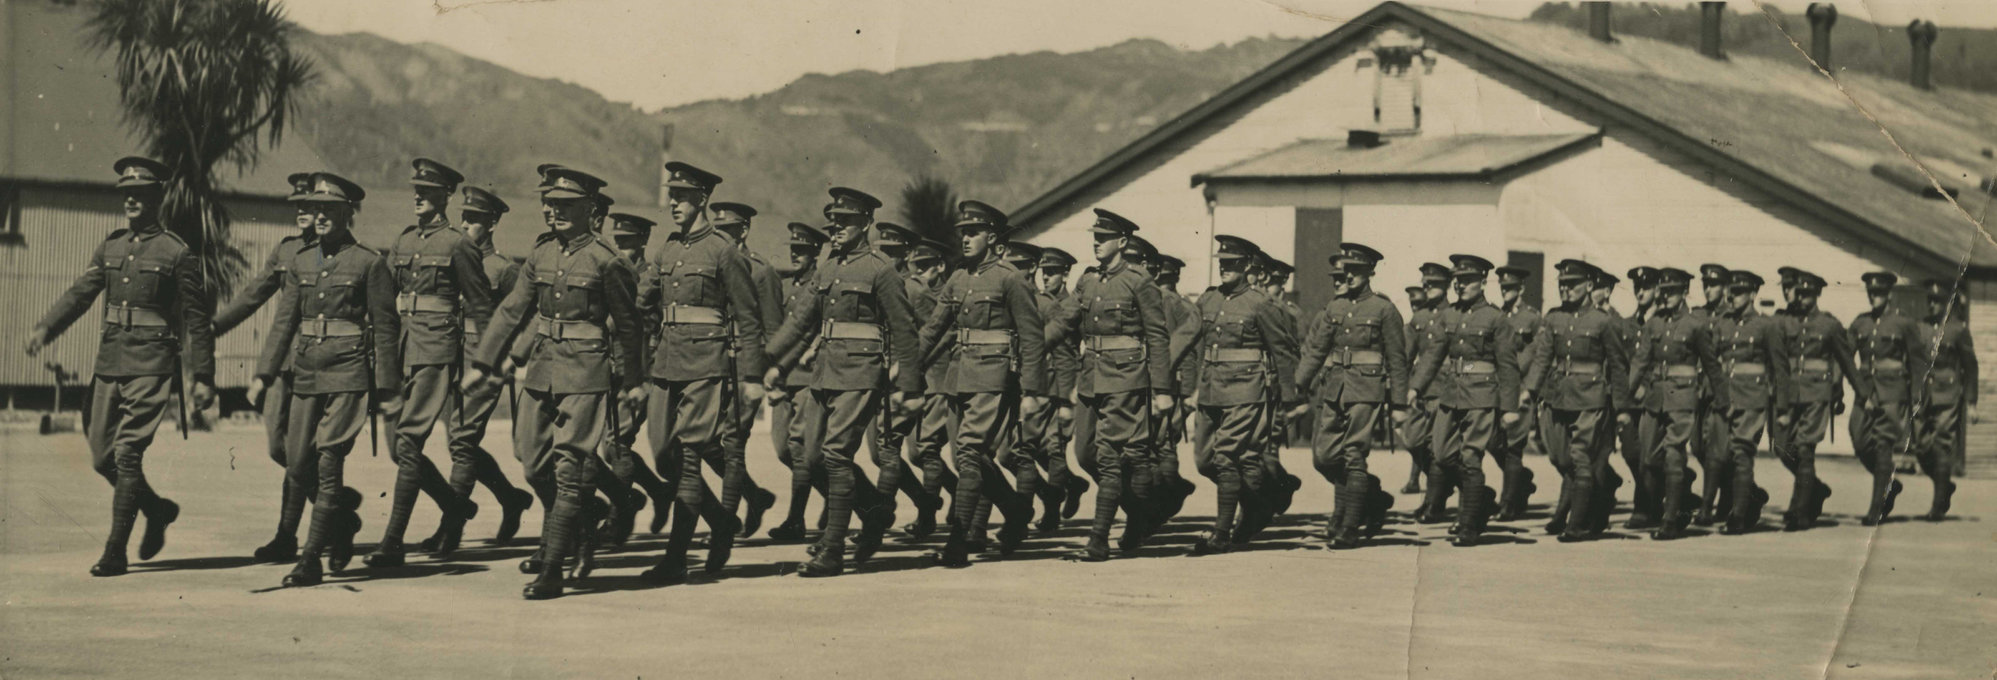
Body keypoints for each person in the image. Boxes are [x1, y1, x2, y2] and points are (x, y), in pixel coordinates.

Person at [26, 156, 217, 576]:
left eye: (140, 193)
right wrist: (46, 328)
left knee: (128, 454)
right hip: (110, 360)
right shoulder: (111, 245)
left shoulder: (176, 252)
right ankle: (157, 509)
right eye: (126, 194)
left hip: (151, 363)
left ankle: (115, 550)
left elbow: (196, 319)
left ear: (156, 198)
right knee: (101, 458)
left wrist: (204, 377)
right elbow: (82, 293)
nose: (131, 200)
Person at [467, 165, 644, 600]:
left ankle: (552, 569)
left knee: (569, 468)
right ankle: (584, 525)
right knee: (530, 460)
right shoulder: (542, 253)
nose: (554, 211)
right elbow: (511, 310)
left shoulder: (607, 261)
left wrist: (634, 381)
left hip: (586, 372)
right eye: (550, 203)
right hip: (543, 368)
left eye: (565, 205)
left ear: (589, 209)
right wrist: (485, 362)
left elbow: (628, 326)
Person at [763, 187, 924, 577]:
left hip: (861, 374)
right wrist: (771, 363)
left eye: (846, 221)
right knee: (812, 458)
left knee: (836, 456)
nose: (836, 227)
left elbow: (904, 331)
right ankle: (876, 510)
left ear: (866, 223)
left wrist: (911, 388)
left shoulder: (880, 270)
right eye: (833, 220)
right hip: (824, 371)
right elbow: (801, 322)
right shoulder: (828, 267)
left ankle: (832, 549)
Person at [261, 172, 400, 587]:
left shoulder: (368, 262)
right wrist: (264, 373)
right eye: (316, 209)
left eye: (329, 210)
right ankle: (341, 526)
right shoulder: (301, 261)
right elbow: (285, 322)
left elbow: (386, 326)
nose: (320, 216)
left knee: (328, 461)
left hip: (347, 373)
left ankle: (310, 559)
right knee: (297, 461)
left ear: (347, 213)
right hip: (307, 372)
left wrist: (388, 387)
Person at [635, 163, 766, 581]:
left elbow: (748, 318)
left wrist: (752, 377)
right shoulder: (668, 249)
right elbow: (641, 304)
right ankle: (722, 521)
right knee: (663, 455)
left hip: (707, 365)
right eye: (671, 195)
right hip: (667, 364)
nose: (673, 203)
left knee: (690, 458)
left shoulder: (723, 251)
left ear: (702, 200)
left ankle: (676, 558)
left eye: (682, 196)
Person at [367, 158, 491, 567]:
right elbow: (384, 298)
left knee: (407, 442)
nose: (418, 196)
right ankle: (455, 507)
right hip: (402, 348)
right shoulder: (402, 242)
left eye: (427, 191)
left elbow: (481, 307)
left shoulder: (459, 244)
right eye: (415, 190)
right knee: (396, 449)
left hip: (437, 350)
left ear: (446, 196)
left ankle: (392, 543)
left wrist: (483, 362)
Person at [915, 200, 1047, 566]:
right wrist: (909, 369)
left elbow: (1033, 337)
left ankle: (959, 540)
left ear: (992, 236)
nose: (966, 239)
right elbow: (933, 329)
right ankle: (1017, 510)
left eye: (974, 232)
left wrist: (1033, 392)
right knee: (966, 455)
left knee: (970, 453)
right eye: (963, 233)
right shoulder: (959, 277)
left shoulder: (1010, 278)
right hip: (959, 376)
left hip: (994, 375)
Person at [1044, 208, 1173, 561]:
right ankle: (1141, 511)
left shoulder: (1139, 280)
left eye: (1103, 238)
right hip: (1091, 379)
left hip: (1126, 378)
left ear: (1122, 242)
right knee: (1085, 454)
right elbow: (1066, 320)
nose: (1097, 244)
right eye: (1095, 238)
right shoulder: (1088, 281)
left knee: (1110, 456)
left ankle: (1098, 539)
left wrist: (1162, 390)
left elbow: (1158, 337)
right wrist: (1036, 344)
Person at [215, 172, 318, 563]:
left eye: (310, 205)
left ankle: (287, 536)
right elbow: (252, 295)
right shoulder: (286, 250)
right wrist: (213, 327)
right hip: (282, 362)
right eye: (299, 205)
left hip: (318, 364)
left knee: (298, 452)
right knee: (279, 446)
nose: (303, 212)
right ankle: (336, 506)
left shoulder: (336, 251)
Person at [1182, 235, 1298, 554]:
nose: (1224, 268)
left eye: (1231, 263)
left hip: (1246, 390)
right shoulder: (1208, 300)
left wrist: (1289, 398)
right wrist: (1164, 380)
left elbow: (1283, 351)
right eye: (1221, 262)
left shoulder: (1260, 304)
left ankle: (1220, 534)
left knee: (1225, 457)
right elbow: (1186, 337)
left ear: (1247, 266)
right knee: (1205, 461)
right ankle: (1258, 504)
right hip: (1210, 389)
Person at [1294, 243, 1409, 549]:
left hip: (1366, 391)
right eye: (1349, 270)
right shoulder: (1335, 308)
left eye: (1358, 270)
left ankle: (1348, 526)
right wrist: (1298, 385)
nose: (1352, 275)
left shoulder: (1384, 310)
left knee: (1354, 455)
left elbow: (1398, 360)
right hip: (1334, 388)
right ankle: (1372, 497)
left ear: (1370, 272)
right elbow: (1316, 349)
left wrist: (1399, 403)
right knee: (1324, 457)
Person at [441, 186, 537, 548]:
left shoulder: (505, 270)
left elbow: (527, 318)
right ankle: (510, 498)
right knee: (457, 442)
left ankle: (450, 527)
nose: (466, 225)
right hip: (452, 356)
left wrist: (509, 360)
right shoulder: (452, 259)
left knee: (463, 441)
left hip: (485, 359)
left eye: (476, 219)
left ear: (493, 223)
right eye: (464, 217)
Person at [1411, 254, 1518, 547]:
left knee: (1471, 456)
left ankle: (1469, 525)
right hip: (1451, 392)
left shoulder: (1495, 318)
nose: (1460, 285)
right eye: (1457, 280)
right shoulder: (1449, 315)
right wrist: (1415, 388)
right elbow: (1433, 355)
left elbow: (1508, 366)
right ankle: (1479, 498)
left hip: (1482, 395)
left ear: (1483, 282)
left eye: (1468, 280)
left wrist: (1509, 408)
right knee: (1442, 454)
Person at [1523, 259, 1627, 542]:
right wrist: (1530, 390)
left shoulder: (1603, 322)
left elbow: (1618, 367)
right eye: (1562, 284)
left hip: (1591, 398)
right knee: (1559, 455)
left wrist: (1621, 409)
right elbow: (1543, 357)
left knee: (1580, 457)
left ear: (1589, 286)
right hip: (1558, 395)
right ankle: (1601, 495)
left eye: (1572, 284)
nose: (1565, 289)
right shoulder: (1554, 318)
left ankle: (1578, 525)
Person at [1627, 267, 1722, 540]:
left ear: (1684, 293)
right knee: (1647, 458)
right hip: (1654, 398)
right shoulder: (1654, 323)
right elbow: (1640, 362)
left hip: (1682, 397)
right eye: (1663, 291)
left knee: (1673, 454)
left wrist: (1723, 399)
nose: (1666, 296)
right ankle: (1681, 496)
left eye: (1672, 291)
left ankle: (1671, 520)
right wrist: (1623, 397)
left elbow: (1712, 365)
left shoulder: (1695, 325)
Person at [709, 201, 783, 537]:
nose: (721, 236)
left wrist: (768, 372)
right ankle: (755, 496)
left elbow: (772, 329)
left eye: (728, 230)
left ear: (744, 231)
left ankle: (725, 521)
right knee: (707, 441)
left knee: (733, 441)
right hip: (713, 362)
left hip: (745, 362)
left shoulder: (761, 272)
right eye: (717, 230)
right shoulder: (711, 264)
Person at [1775, 271, 1857, 531]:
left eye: (1807, 294)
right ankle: (1816, 489)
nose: (1802, 298)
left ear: (1817, 295)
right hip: (1792, 394)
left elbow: (1843, 361)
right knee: (1782, 447)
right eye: (1799, 293)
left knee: (1805, 450)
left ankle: (1798, 512)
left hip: (1817, 394)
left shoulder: (1828, 324)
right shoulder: (1787, 322)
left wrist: (1843, 392)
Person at [1707, 270, 1788, 535]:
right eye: (1731, 292)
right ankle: (1750, 499)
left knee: (1742, 454)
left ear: (1753, 295)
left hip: (1752, 399)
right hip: (1724, 398)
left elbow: (1780, 368)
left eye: (1739, 292)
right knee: (1720, 455)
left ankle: (1738, 517)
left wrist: (1783, 408)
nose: (1733, 297)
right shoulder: (1722, 323)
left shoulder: (1766, 326)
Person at [768, 222, 831, 541]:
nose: (795, 254)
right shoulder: (784, 285)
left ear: (816, 252)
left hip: (807, 375)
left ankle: (796, 519)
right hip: (783, 376)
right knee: (782, 449)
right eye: (793, 249)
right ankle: (839, 495)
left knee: (801, 447)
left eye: (802, 250)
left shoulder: (820, 286)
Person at [1848, 272, 1926, 526]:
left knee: (1883, 445)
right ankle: (1890, 485)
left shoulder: (1903, 323)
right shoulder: (1860, 323)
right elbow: (1847, 358)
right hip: (1866, 390)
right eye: (1871, 293)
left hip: (1893, 391)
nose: (1874, 297)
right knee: (1858, 439)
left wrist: (1916, 395)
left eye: (1879, 293)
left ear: (1889, 294)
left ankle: (1876, 508)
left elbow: (1917, 362)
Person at [1914, 278, 1975, 521]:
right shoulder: (1921, 327)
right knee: (1920, 446)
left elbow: (1971, 367)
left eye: (1938, 301)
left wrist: (1971, 402)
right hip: (1923, 394)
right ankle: (1945, 485)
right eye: (1930, 300)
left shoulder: (1958, 330)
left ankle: (1938, 505)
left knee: (1942, 444)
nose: (1933, 306)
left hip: (1948, 394)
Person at [1491, 265, 1542, 521]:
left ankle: (1508, 504)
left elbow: (1538, 355)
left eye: (1510, 287)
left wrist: (1529, 390)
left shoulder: (1532, 318)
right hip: (1497, 389)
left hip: (1519, 389)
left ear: (1521, 289)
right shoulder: (1497, 316)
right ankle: (1521, 480)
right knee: (1492, 442)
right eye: (1502, 287)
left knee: (1513, 448)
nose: (1505, 291)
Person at [1408, 262, 1451, 519]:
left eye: (1434, 284)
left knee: (1437, 448)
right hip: (1420, 390)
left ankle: (1433, 502)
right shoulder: (1419, 317)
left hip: (1445, 388)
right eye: (1426, 284)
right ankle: (1443, 488)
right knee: (1413, 440)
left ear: (1446, 286)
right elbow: (1406, 353)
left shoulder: (1454, 314)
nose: (1428, 287)